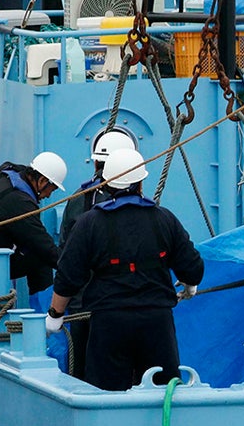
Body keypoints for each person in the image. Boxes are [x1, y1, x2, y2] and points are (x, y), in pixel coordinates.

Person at [46, 148, 204, 391]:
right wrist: (190, 284)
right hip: (157, 323)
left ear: (107, 184)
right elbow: (193, 268)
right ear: (140, 182)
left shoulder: (89, 223)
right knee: (164, 393)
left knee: (106, 394)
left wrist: (55, 316)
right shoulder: (164, 219)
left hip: (109, 323)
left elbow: (68, 277)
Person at [56, 130, 136, 379]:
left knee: (80, 372)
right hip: (125, 305)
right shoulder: (140, 206)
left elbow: (66, 255)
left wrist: (56, 311)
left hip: (82, 304)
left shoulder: (79, 200)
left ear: (96, 162)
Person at [0, 152, 67, 294]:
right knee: (41, 256)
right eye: (51, 190)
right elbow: (46, 249)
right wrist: (75, 267)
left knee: (36, 252)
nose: (48, 196)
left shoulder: (9, 174)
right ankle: (43, 311)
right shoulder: (20, 203)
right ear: (42, 181)